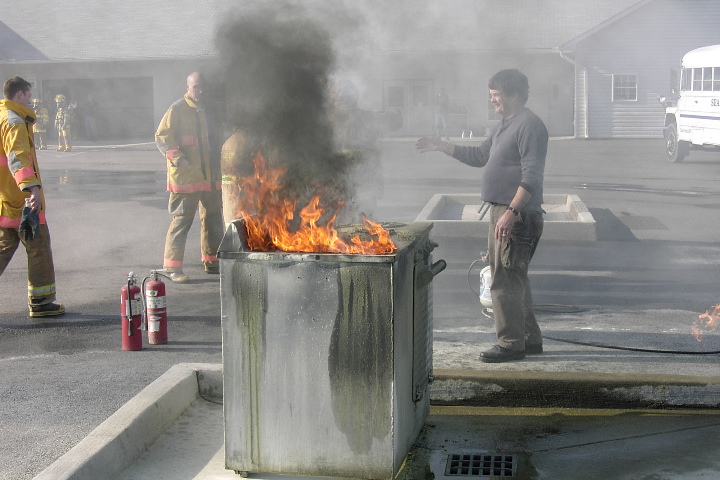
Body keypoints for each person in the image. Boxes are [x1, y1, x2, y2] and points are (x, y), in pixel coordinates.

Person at [417, 69, 547, 363]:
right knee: (515, 278)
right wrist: (442, 147)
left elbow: (532, 176)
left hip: (517, 214)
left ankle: (511, 344)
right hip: (503, 211)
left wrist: (511, 213)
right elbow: (479, 156)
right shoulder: (505, 125)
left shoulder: (530, 125)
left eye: (496, 95)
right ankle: (529, 338)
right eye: (491, 95)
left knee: (504, 280)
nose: (492, 101)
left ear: (513, 94)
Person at [0, 76, 65, 317]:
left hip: (5, 196)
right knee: (38, 246)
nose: (31, 101)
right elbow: (18, 159)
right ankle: (41, 303)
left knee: (5, 244)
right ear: (19, 95)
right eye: (28, 96)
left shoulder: (2, 116)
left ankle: (41, 301)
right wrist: (32, 189)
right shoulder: (15, 122)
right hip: (22, 198)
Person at [155, 72, 223, 282]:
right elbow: (162, 137)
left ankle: (212, 261)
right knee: (182, 222)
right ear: (187, 87)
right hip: (185, 179)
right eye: (196, 87)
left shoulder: (210, 110)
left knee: (213, 220)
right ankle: (172, 267)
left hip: (209, 178)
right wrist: (178, 158)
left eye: (203, 87)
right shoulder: (177, 109)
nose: (200, 91)